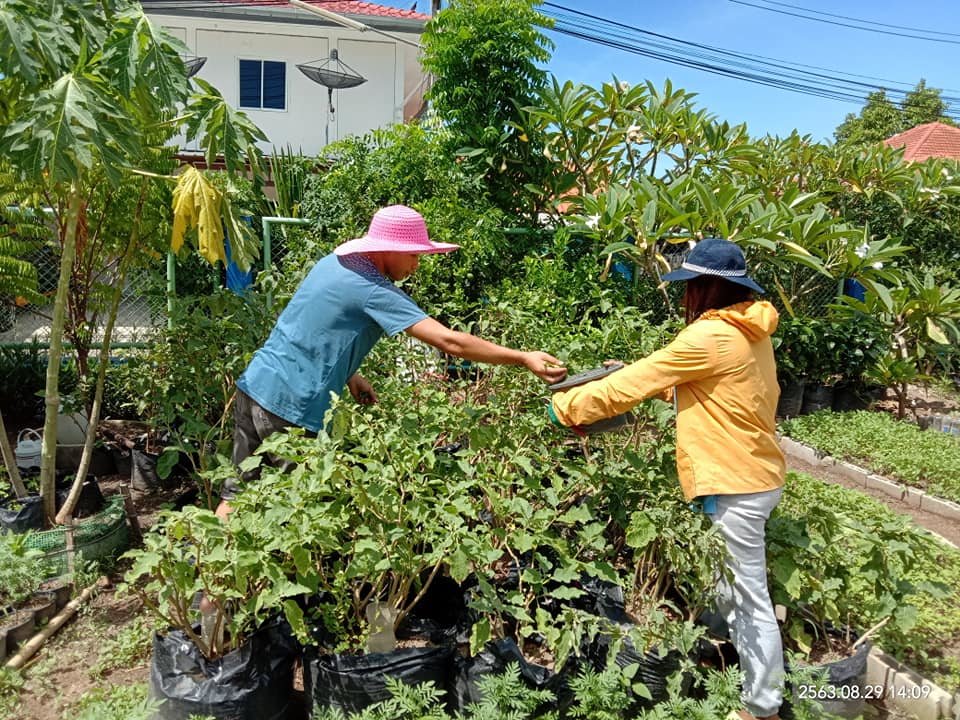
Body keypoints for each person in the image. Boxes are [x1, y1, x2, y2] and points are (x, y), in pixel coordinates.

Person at [548, 238, 785, 720]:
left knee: (748, 599)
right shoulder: (749, 330)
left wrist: (565, 407)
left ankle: (761, 707)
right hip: (754, 472)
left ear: (706, 288)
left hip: (736, 481)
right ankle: (721, 658)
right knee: (729, 585)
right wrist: (639, 378)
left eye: (689, 286)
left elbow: (630, 386)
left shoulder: (709, 336)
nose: (683, 297)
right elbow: (715, 390)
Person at [217, 204, 567, 518]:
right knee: (294, 513)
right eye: (413, 255)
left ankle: (207, 573)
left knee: (236, 497)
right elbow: (450, 341)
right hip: (290, 408)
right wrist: (523, 358)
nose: (416, 264)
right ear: (389, 249)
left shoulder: (334, 263)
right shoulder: (373, 289)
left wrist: (351, 375)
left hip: (256, 386)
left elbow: (316, 326)